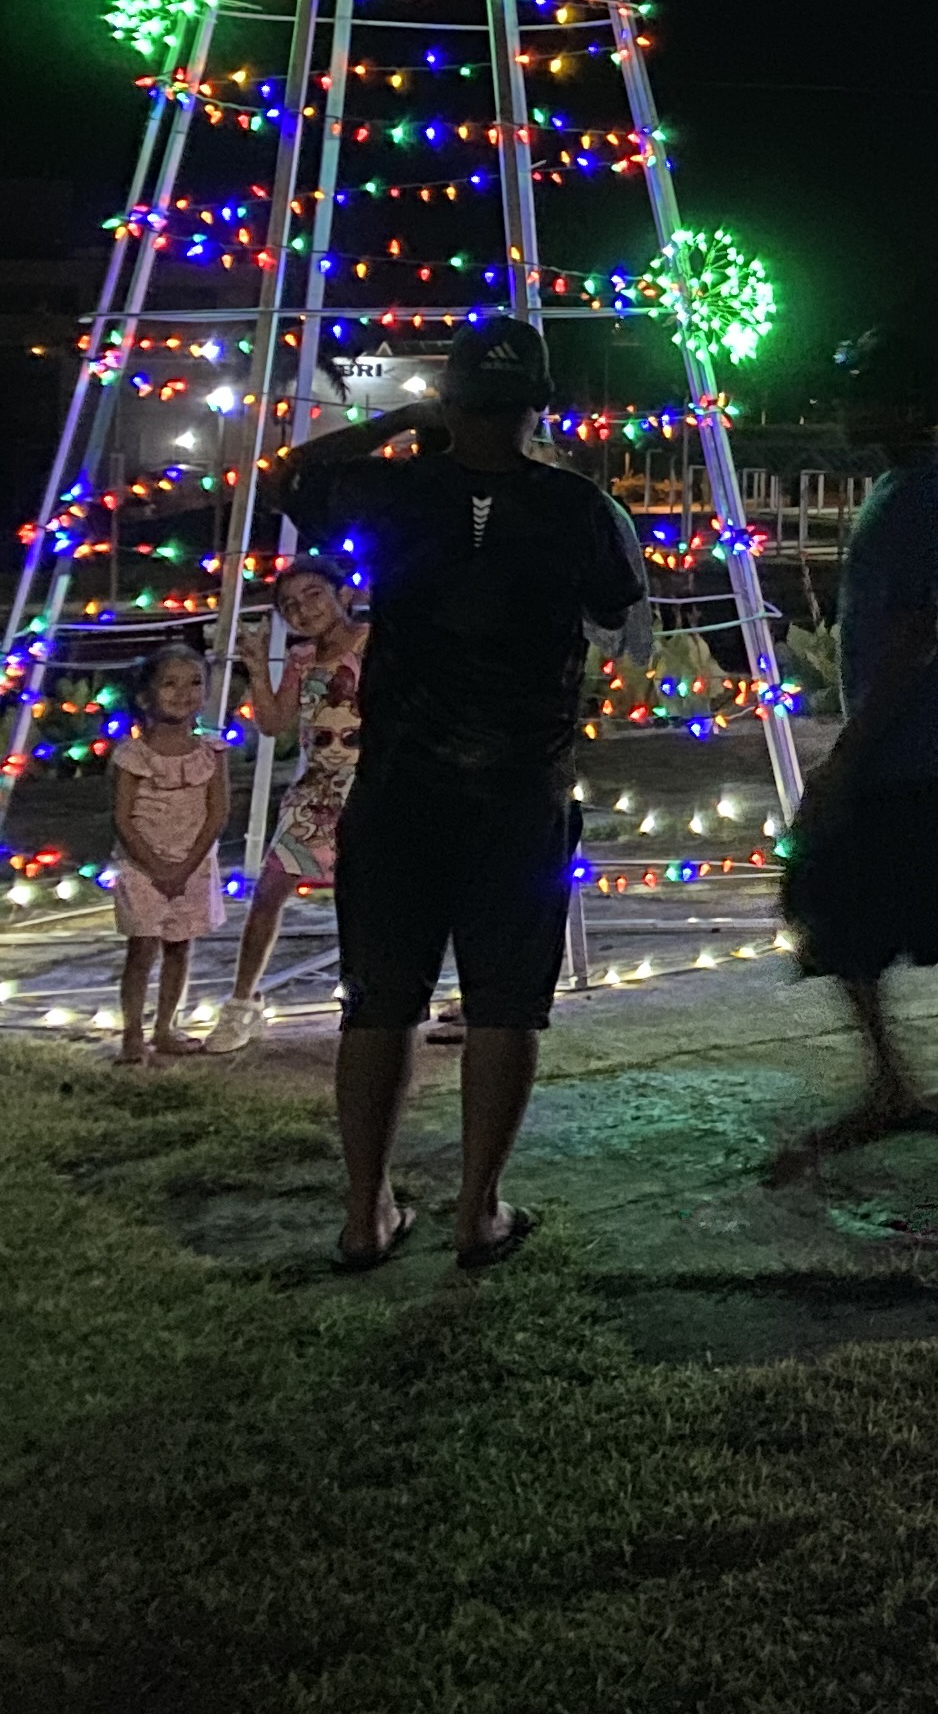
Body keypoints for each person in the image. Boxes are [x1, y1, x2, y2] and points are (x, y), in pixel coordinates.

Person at [263, 315, 647, 1272]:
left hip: (399, 790)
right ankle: (478, 1211)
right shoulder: (578, 507)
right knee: (507, 1007)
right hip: (520, 793)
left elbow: (288, 475)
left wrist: (399, 422)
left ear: (452, 401)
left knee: (379, 1003)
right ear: (538, 406)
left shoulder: (396, 492)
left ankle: (365, 1214)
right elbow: (615, 608)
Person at [786, 329, 938, 1131]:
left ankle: (903, 1081)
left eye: (859, 392)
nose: (842, 407)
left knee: (830, 902)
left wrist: (847, 756)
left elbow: (916, 634)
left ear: (903, 403)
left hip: (917, 749)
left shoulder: (919, 494)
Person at [213, 559, 366, 1049]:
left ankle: (367, 998)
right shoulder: (302, 659)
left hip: (373, 787)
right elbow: (274, 723)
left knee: (368, 898)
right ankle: (242, 1004)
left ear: (344, 596)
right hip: (317, 791)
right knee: (270, 888)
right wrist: (259, 668)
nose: (303, 610)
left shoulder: (375, 643)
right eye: (290, 606)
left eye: (314, 595)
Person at [110, 638, 230, 1062]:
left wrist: (186, 867)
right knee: (142, 947)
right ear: (146, 697)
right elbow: (123, 818)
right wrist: (157, 867)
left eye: (194, 682)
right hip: (144, 865)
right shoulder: (133, 755)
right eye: (170, 684)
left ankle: (166, 1027)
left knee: (179, 945)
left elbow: (218, 813)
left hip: (193, 865)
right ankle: (132, 1034)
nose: (183, 692)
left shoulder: (212, 751)